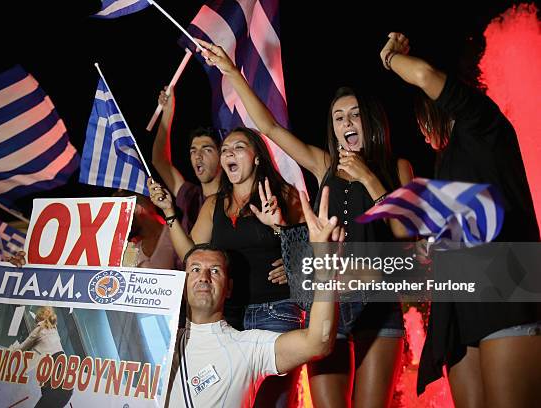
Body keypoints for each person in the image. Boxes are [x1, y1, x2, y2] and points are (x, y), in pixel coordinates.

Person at [197, 38, 412, 407]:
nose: (346, 122)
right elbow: (269, 127)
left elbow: (407, 234)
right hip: (329, 303)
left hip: (378, 301)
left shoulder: (398, 168)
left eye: (354, 114)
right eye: (339, 117)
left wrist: (370, 180)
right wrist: (231, 71)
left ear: (370, 120)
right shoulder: (323, 164)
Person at [381, 32, 541, 407]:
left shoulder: (482, 121)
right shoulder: (448, 161)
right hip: (460, 307)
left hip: (504, 289)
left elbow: (422, 75)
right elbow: (407, 227)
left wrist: (389, 58)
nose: (422, 133)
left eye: (421, 118)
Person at [149, 126, 302, 407]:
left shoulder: (284, 194)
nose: (229, 152)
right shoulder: (213, 205)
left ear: (257, 157)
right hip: (228, 320)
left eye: (239, 147)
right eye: (226, 149)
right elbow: (193, 256)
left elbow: (312, 250)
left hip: (275, 313)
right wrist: (170, 212)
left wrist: (287, 246)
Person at [166, 186, 343, 407]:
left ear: (228, 288)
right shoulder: (159, 343)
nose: (204, 277)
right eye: (194, 269)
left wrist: (326, 268)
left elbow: (317, 343)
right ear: (182, 285)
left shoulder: (248, 346)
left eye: (215, 271)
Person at [152, 86, 222, 234]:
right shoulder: (190, 196)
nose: (198, 156)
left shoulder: (232, 199)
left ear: (222, 156)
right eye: (193, 151)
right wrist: (168, 112)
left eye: (207, 149)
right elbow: (159, 160)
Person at [15, 306, 72, 408]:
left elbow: (20, 349)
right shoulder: (54, 331)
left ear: (38, 318)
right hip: (67, 387)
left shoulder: (39, 329)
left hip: (54, 387)